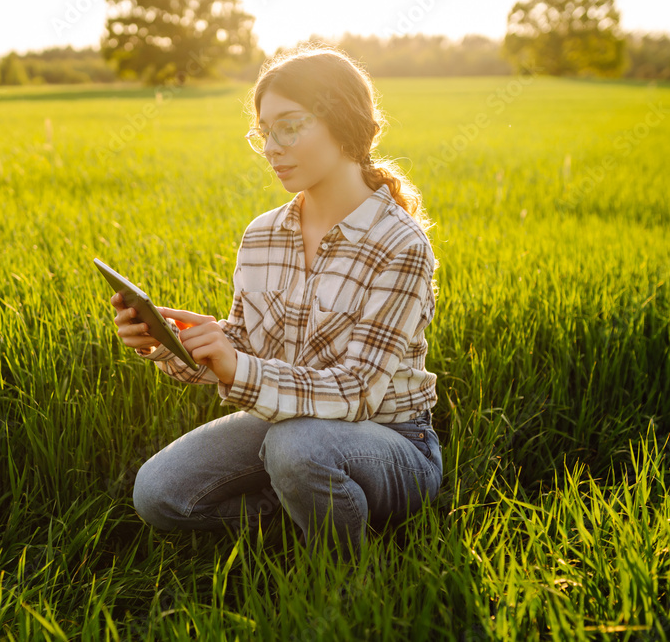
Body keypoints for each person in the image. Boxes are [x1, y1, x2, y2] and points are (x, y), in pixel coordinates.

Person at [110, 44, 443, 563]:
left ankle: (341, 576)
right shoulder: (263, 235)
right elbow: (244, 344)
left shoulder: (399, 244)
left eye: (289, 126)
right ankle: (302, 507)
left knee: (298, 449)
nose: (271, 147)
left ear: (343, 123)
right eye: (264, 130)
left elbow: (358, 392)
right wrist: (175, 344)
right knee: (159, 493)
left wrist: (237, 364)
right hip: (285, 423)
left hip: (390, 441)